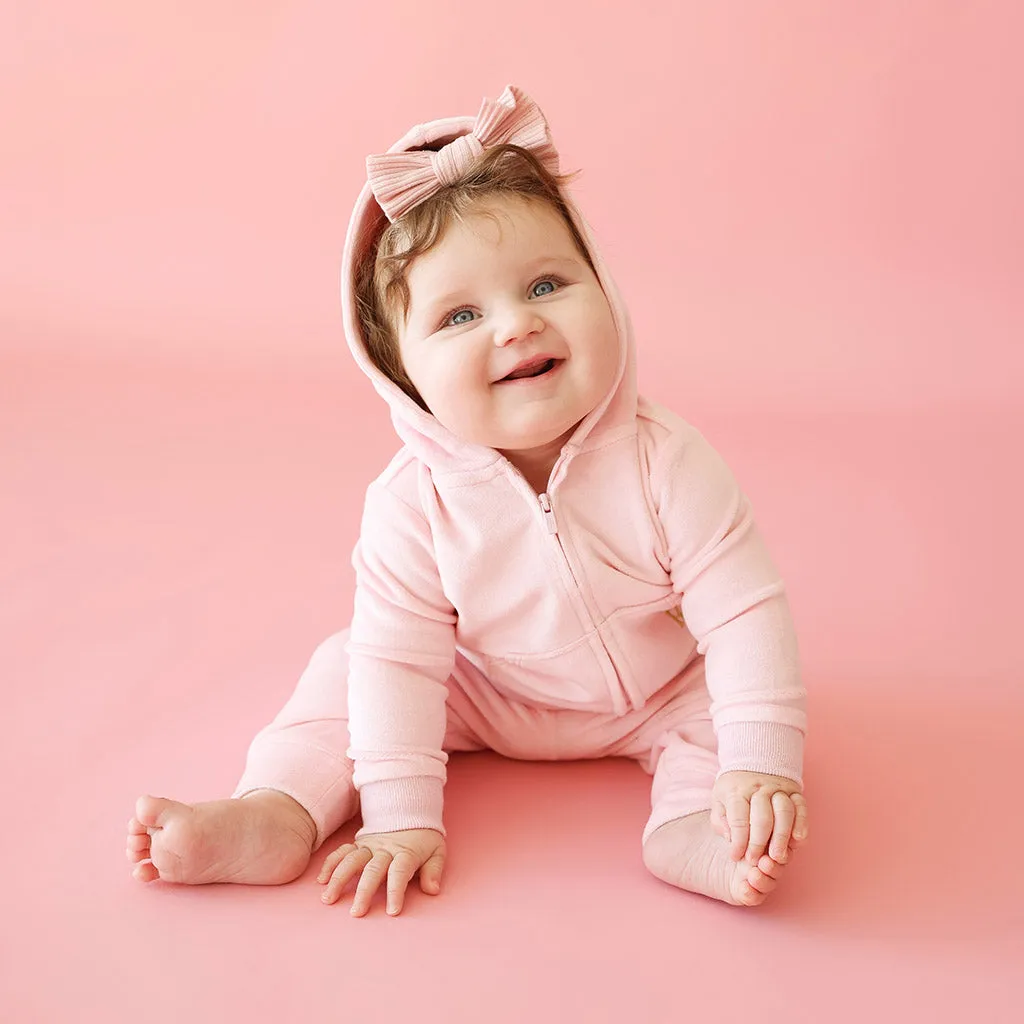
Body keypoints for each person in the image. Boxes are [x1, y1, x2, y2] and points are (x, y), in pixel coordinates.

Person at [126, 85, 809, 917]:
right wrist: (401, 819)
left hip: (662, 694)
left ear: (607, 291)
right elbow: (403, 660)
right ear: (403, 378)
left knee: (725, 707)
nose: (514, 326)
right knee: (353, 669)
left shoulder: (669, 461)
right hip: (483, 694)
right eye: (459, 315)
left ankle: (697, 830)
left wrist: (761, 761)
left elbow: (742, 611)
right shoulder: (411, 506)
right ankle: (280, 811)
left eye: (548, 285)